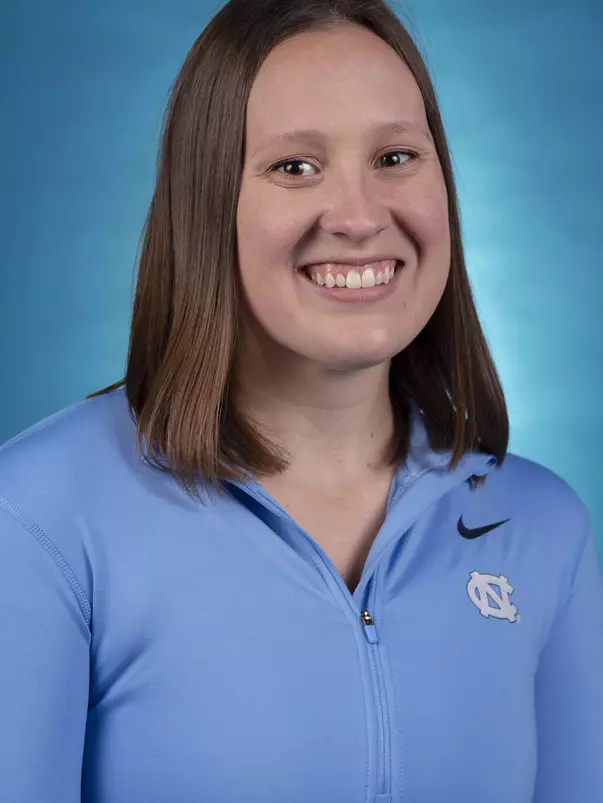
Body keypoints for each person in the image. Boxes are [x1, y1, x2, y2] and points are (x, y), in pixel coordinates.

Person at [0, 0, 601, 800]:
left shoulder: (542, 526)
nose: (358, 216)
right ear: (206, 205)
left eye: (395, 156)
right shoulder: (38, 516)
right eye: (294, 166)